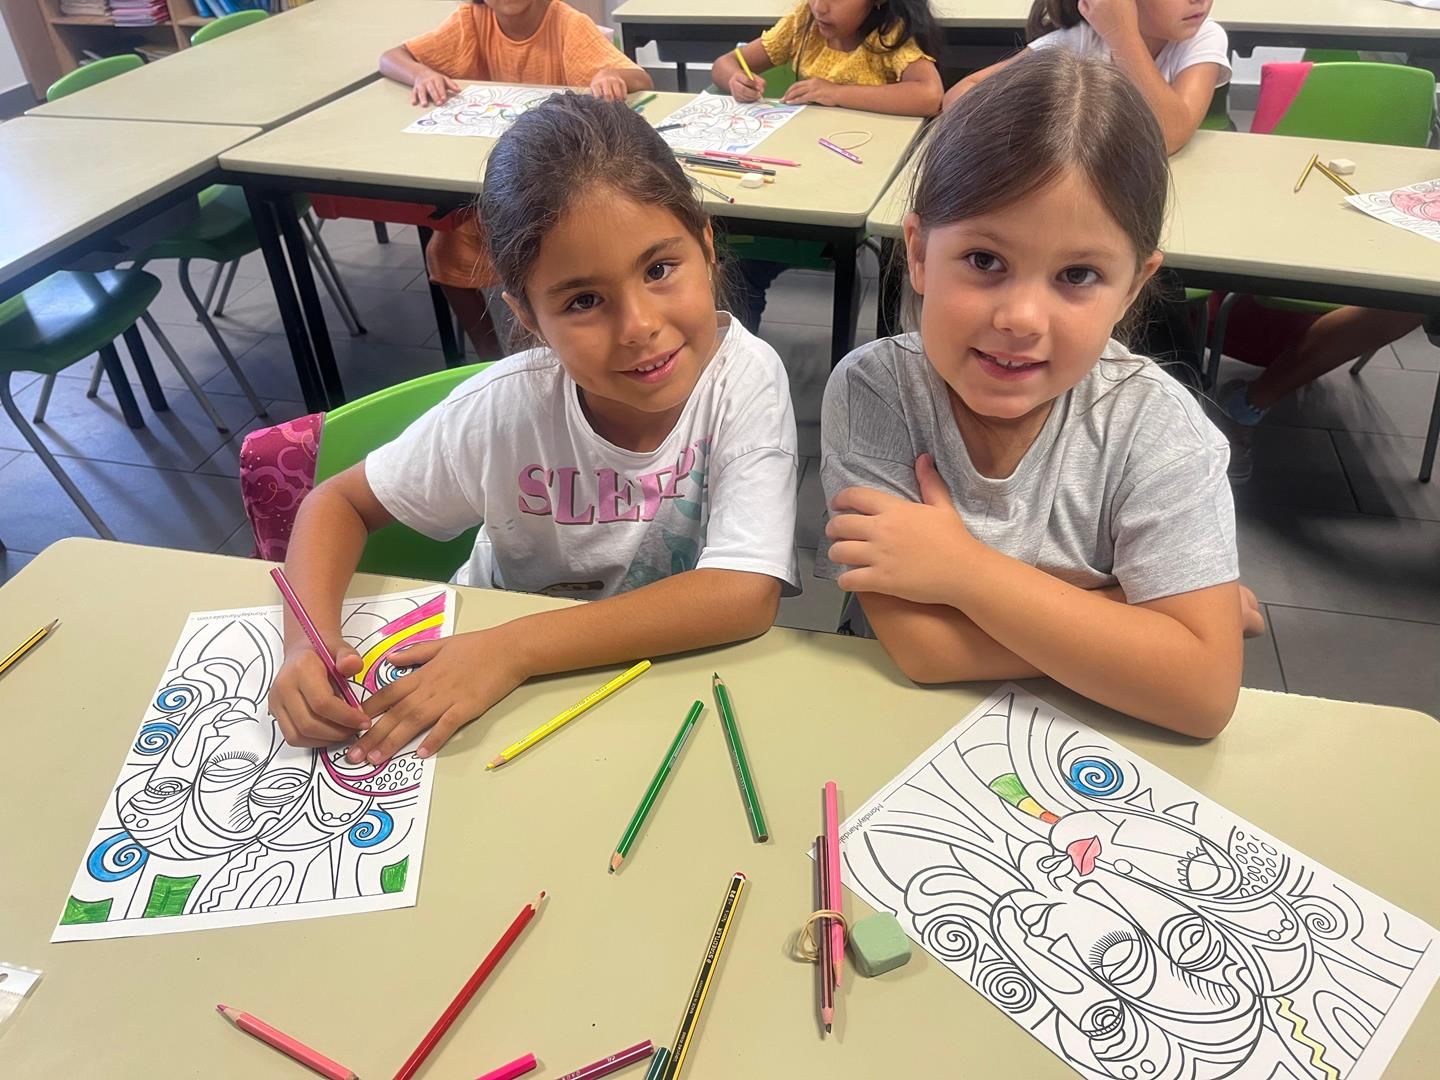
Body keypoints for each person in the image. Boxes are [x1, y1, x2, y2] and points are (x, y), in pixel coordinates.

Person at [269, 95, 800, 762]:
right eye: (584, 300)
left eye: (659, 269)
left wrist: (515, 648)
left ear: (706, 243)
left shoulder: (743, 381)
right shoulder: (505, 405)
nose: (638, 326)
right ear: (527, 315)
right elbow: (337, 502)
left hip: (627, 673)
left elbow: (742, 595)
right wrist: (304, 643)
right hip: (488, 674)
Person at [820, 50, 1258, 739]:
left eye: (1078, 275)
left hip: (1085, 748)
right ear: (921, 254)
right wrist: (1127, 618)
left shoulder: (1156, 427)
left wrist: (963, 573)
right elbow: (922, 648)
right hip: (894, 726)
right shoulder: (877, 389)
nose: (1021, 319)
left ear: (1133, 287)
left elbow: (1202, 694)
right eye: (985, 260)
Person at [379, 0, 653, 355]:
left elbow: (640, 79)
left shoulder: (565, 22)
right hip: (492, 179)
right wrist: (421, 74)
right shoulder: (471, 20)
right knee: (446, 250)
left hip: (558, 187)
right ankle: (489, 355)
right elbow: (391, 58)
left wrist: (611, 76)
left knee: (554, 262)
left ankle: (546, 350)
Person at [711, 0, 944, 331]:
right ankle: (736, 353)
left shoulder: (887, 35)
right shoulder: (802, 23)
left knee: (753, 260)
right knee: (740, 267)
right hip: (802, 175)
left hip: (859, 182)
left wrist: (836, 93)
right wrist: (736, 79)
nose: (819, 7)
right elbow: (725, 63)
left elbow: (929, 94)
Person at [943, 0, 1230, 154]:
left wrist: (1122, 35)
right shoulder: (1080, 43)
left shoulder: (1203, 37)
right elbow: (960, 95)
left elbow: (1170, 136)